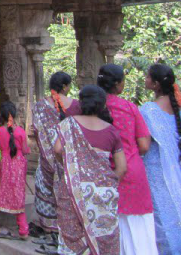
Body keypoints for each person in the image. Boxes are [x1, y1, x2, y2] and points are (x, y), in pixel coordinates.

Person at [54, 85, 126, 255]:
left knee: (73, 238)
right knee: (103, 240)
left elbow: (57, 150)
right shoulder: (111, 130)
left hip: (74, 189)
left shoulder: (68, 125)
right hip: (104, 192)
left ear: (81, 103)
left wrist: (69, 167)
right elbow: (122, 168)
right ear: (102, 105)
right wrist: (107, 183)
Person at [140, 64, 181, 255]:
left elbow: (144, 144)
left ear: (156, 84)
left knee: (164, 219)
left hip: (157, 172)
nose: (145, 80)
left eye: (148, 77)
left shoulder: (149, 110)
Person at [97, 64, 157, 255]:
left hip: (101, 173)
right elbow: (144, 146)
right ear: (117, 84)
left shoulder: (90, 108)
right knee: (137, 230)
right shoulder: (129, 108)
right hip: (131, 172)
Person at [31, 71, 80, 247]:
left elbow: (36, 131)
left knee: (45, 188)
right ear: (65, 87)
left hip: (46, 158)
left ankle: (50, 227)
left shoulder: (39, 106)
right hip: (68, 158)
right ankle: (67, 227)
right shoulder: (76, 105)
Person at [0, 102, 31, 241]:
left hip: (6, 164)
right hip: (19, 164)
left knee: (7, 190)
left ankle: (21, 229)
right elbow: (25, 150)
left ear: (1, 116)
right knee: (17, 192)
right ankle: (22, 228)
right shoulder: (21, 131)